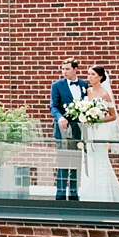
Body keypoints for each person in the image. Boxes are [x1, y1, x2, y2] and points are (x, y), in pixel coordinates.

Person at [79, 65, 119, 203]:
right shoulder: (87, 91)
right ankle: (89, 193)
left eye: (93, 74)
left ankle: (103, 194)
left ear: (100, 77)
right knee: (89, 160)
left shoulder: (104, 94)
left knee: (100, 160)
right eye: (88, 74)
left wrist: (97, 120)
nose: (89, 77)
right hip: (89, 131)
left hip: (100, 131)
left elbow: (113, 116)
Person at [49, 59, 88, 200]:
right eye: (62, 69)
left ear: (76, 69)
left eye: (67, 69)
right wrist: (59, 118)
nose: (64, 72)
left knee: (76, 161)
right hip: (62, 128)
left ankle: (73, 193)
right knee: (63, 160)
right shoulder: (57, 85)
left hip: (79, 128)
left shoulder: (84, 85)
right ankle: (60, 193)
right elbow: (53, 106)